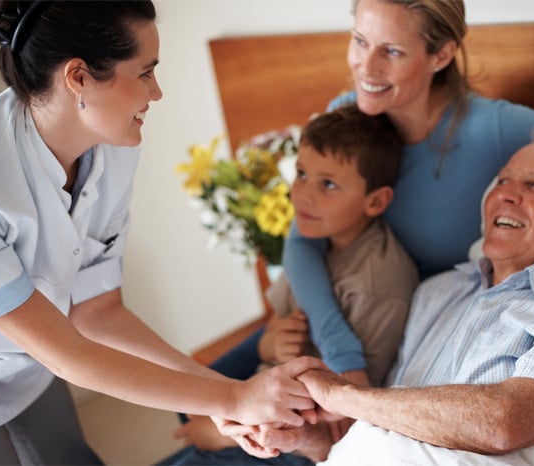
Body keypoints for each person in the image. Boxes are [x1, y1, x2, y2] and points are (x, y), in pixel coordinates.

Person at [209, 0, 534, 393]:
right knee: (198, 391)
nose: (365, 68)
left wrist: (348, 359)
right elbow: (302, 237)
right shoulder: (346, 114)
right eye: (360, 41)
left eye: (390, 51)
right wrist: (329, 343)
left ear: (441, 54)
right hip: (327, 309)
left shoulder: (493, 128)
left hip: (397, 332)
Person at [0, 2, 323, 465]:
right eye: (145, 73)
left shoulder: (112, 149)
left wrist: (226, 396)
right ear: (78, 77)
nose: (156, 92)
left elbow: (97, 312)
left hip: (29, 368)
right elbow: (69, 355)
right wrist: (232, 401)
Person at [255, 129, 534, 466]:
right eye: (502, 181)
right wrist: (305, 440)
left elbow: (505, 422)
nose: (506, 196)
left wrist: (341, 394)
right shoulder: (437, 292)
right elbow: (383, 427)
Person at [161, 105, 419, 465]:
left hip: (291, 438)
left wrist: (222, 434)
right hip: (263, 395)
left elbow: (346, 406)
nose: (302, 195)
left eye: (328, 184)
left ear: (375, 201)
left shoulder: (375, 285)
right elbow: (279, 320)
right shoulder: (317, 240)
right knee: (181, 401)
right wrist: (269, 343)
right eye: (301, 174)